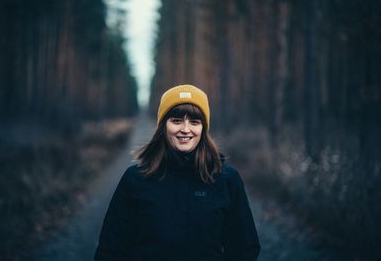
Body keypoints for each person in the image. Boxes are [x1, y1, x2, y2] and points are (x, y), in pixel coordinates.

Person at [94, 84, 260, 261]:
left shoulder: (226, 180)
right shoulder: (136, 179)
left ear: (203, 128)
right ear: (163, 126)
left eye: (194, 122)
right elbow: (111, 248)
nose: (185, 129)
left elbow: (244, 248)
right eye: (177, 120)